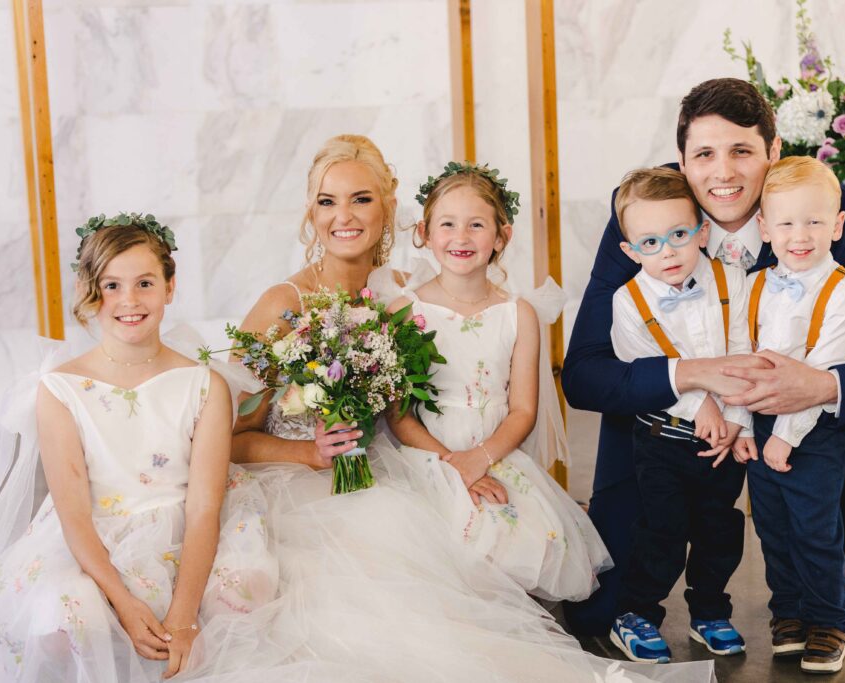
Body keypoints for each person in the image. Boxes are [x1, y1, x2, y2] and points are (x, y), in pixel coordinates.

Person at [227, 135, 716, 682]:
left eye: (360, 199)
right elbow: (230, 437)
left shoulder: (398, 295)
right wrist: (310, 453)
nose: (343, 215)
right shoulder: (285, 305)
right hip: (302, 487)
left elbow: (440, 405)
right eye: (326, 201)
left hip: (388, 469)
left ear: (390, 209)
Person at [562, 78, 845, 636]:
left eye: (742, 151)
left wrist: (822, 386)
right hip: (668, 423)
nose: (724, 173)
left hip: (792, 416)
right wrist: (690, 375)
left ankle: (823, 571)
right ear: (682, 161)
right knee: (597, 612)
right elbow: (585, 375)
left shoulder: (817, 207)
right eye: (705, 154)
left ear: (774, 152)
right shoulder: (648, 211)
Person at [0, 215, 277, 682]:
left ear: (170, 286)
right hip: (93, 538)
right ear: (90, 291)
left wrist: (182, 615)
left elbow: (203, 506)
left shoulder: (204, 386)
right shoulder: (60, 390)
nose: (130, 301)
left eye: (144, 283)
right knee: (67, 615)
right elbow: (74, 513)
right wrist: (122, 600)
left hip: (183, 528)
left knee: (238, 590)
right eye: (112, 286)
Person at [384, 162, 610, 601]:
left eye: (476, 225)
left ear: (501, 236)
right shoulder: (405, 311)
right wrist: (453, 463)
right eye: (447, 224)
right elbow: (398, 415)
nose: (461, 237)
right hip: (428, 457)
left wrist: (480, 458)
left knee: (510, 537)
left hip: (494, 452)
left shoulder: (518, 314)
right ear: (425, 234)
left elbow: (524, 409)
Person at [606, 167, 753, 663]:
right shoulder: (627, 302)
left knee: (719, 530)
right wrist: (700, 402)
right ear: (630, 251)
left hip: (723, 441)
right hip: (662, 440)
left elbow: (744, 350)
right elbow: (641, 369)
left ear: (703, 232)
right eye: (649, 242)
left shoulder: (732, 281)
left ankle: (710, 611)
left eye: (678, 235)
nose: (666, 251)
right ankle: (637, 612)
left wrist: (737, 420)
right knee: (661, 531)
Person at [747, 156, 845, 674]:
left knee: (814, 529)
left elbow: (820, 372)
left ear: (838, 225)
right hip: (758, 427)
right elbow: (739, 356)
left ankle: (828, 620)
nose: (800, 235)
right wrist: (739, 425)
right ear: (764, 227)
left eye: (815, 221)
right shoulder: (755, 285)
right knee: (772, 529)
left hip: (812, 432)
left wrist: (784, 437)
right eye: (787, 223)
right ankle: (789, 614)